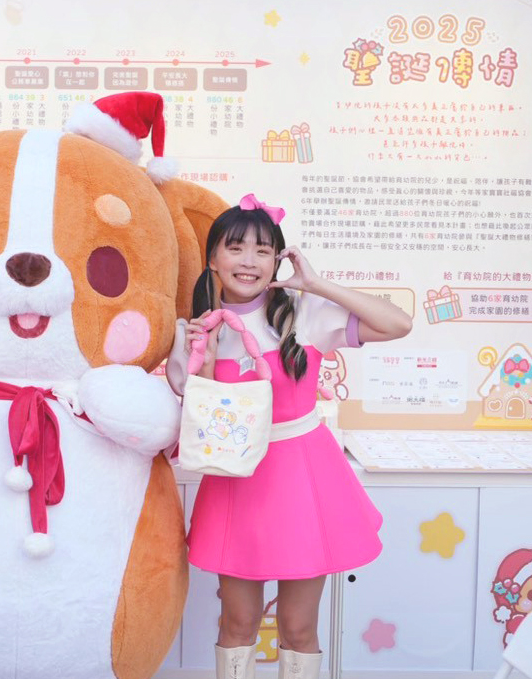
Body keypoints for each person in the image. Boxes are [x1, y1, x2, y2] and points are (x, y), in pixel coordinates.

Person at [166, 193, 412, 679]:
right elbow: (203, 418)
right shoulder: (193, 331)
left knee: (298, 628)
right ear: (212, 258)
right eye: (236, 248)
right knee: (237, 623)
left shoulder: (304, 314)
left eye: (262, 250)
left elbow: (398, 324)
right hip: (237, 482)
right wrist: (206, 361)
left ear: (278, 259)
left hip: (304, 481)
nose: (249, 261)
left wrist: (315, 283)